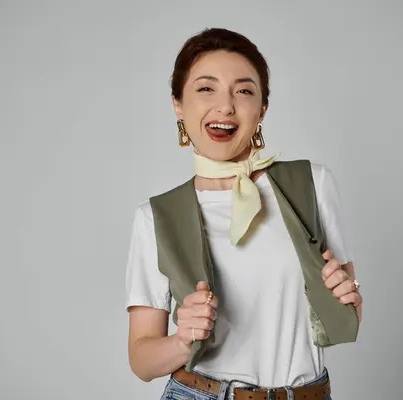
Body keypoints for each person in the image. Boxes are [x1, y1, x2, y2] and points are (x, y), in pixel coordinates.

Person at [125, 27, 362, 400]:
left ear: (262, 108)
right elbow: (141, 360)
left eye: (244, 90)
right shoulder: (157, 217)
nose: (226, 106)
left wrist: (350, 300)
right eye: (206, 88)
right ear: (178, 103)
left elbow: (347, 314)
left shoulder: (312, 184)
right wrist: (182, 339)